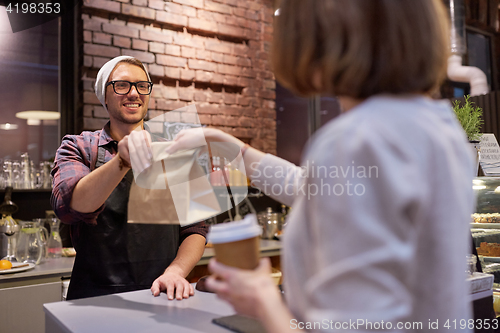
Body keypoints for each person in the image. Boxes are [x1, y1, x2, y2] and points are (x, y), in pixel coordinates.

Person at [165, 0, 476, 332]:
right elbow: (321, 189)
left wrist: (263, 302)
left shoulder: (355, 140)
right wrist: (230, 148)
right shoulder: (439, 128)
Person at [51, 56, 208, 301]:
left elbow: (196, 227)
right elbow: (70, 208)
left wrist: (176, 271)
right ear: (104, 96)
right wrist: (122, 162)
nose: (133, 93)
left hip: (162, 292)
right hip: (94, 300)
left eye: (141, 85)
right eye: (122, 85)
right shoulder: (78, 146)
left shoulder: (177, 153)